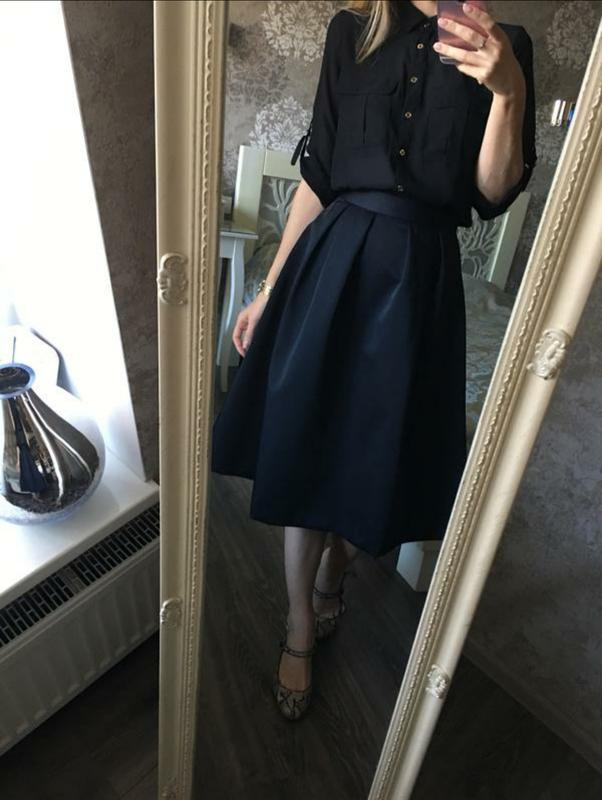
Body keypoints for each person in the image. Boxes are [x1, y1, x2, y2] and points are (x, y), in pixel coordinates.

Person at [211, 0, 537, 720]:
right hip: (333, 267)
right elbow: (318, 178)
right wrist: (268, 290)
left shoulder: (505, 45)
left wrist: (508, 90)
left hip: (421, 284)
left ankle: (336, 571)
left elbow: (493, 191)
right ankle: (300, 621)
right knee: (309, 448)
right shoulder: (351, 34)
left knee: (379, 458)